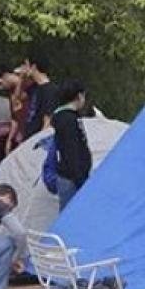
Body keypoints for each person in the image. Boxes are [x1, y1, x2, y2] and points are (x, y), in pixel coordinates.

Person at [51, 81, 93, 210]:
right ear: (79, 96)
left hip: (71, 176)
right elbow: (71, 151)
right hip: (71, 178)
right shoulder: (68, 120)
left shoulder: (66, 117)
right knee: (70, 211)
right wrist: (80, 179)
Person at [22, 54, 59, 137]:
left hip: (36, 139)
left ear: (33, 67)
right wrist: (22, 78)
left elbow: (47, 121)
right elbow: (18, 99)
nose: (24, 68)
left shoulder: (50, 90)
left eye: (26, 65)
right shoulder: (33, 88)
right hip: (28, 137)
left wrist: (39, 142)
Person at [0, 65, 27, 155]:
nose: (1, 88)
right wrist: (9, 140)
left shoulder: (27, 83)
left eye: (0, 84)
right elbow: (15, 118)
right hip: (23, 137)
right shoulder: (11, 94)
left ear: (6, 76)